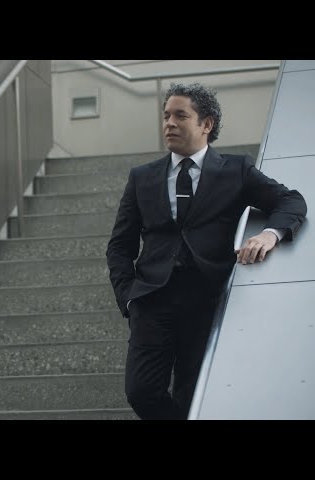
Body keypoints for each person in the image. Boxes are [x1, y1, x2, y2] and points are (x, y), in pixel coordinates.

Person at [106, 83, 307, 420]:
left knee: (191, 396)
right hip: (152, 301)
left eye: (180, 115)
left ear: (206, 124)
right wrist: (128, 297)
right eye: (166, 115)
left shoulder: (235, 170)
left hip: (207, 302)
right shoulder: (142, 177)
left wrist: (269, 235)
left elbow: (291, 200)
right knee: (141, 393)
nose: (169, 122)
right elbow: (120, 245)